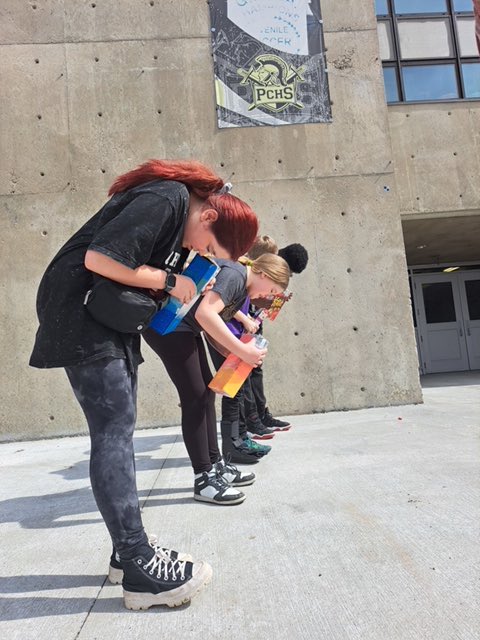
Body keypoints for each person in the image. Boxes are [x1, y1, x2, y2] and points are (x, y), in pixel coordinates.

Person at [29, 159, 259, 610]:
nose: (205, 255)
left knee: (120, 428)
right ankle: (137, 564)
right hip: (80, 313)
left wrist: (173, 280)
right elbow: (101, 259)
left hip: (107, 318)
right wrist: (172, 280)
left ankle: (125, 548)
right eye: (210, 248)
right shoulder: (167, 197)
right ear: (207, 215)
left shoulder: (177, 215)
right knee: (113, 430)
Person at [143, 253, 291, 500]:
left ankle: (214, 466)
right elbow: (205, 315)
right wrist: (242, 350)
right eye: (272, 290)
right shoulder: (235, 276)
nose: (268, 298)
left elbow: (208, 319)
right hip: (169, 326)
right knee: (196, 398)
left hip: (182, 327)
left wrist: (237, 354)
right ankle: (204, 479)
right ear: (264, 275)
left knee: (205, 394)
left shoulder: (239, 281)